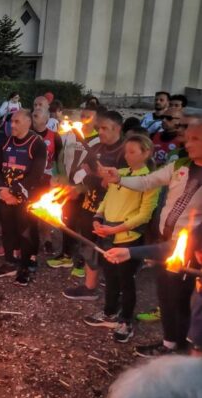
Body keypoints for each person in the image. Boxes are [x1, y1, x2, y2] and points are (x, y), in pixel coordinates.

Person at [101, 118, 202, 357]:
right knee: (165, 294)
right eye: (187, 138)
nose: (188, 143)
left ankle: (183, 347)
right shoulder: (180, 165)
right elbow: (148, 181)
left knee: (182, 299)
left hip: (189, 247)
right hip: (163, 242)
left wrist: (131, 252)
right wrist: (119, 179)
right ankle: (169, 343)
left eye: (195, 139)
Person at [81, 135, 159, 342]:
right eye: (126, 151)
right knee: (110, 276)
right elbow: (107, 199)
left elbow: (144, 215)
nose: (127, 155)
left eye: (132, 152)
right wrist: (97, 218)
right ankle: (109, 312)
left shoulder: (150, 180)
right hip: (107, 233)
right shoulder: (120, 174)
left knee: (126, 280)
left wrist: (115, 229)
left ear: (146, 153)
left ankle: (126, 320)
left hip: (128, 238)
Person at [63, 111, 126, 301]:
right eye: (99, 128)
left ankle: (116, 292)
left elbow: (124, 181)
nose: (100, 132)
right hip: (89, 205)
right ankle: (90, 287)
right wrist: (78, 187)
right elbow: (85, 173)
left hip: (113, 211)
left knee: (111, 249)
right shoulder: (96, 147)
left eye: (105, 128)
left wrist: (102, 176)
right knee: (89, 245)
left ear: (118, 128)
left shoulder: (125, 152)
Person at [0, 109, 47, 286]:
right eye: (11, 122)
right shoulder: (6, 142)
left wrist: (14, 192)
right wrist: (2, 189)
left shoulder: (37, 144)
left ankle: (27, 266)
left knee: (26, 231)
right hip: (5, 195)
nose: (12, 125)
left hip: (26, 197)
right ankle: (10, 262)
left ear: (28, 123)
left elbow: (35, 174)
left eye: (17, 122)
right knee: (8, 229)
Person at [47, 105, 101, 271]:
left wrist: (81, 187)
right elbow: (61, 156)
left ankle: (83, 262)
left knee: (85, 226)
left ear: (96, 121)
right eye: (82, 115)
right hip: (69, 187)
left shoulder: (99, 141)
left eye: (88, 117)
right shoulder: (69, 134)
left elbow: (97, 170)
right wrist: (62, 175)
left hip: (87, 191)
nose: (84, 119)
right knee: (68, 221)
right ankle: (66, 255)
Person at [31, 97, 63, 257]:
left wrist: (58, 177)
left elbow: (59, 159)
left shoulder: (54, 136)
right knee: (27, 212)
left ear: (46, 118)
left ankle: (47, 239)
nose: (34, 116)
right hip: (29, 178)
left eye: (38, 114)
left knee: (44, 211)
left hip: (47, 178)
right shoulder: (26, 134)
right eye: (33, 113)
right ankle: (30, 241)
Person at [152, 97, 183, 167]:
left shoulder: (183, 141)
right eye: (163, 117)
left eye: (169, 118)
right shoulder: (155, 135)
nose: (164, 120)